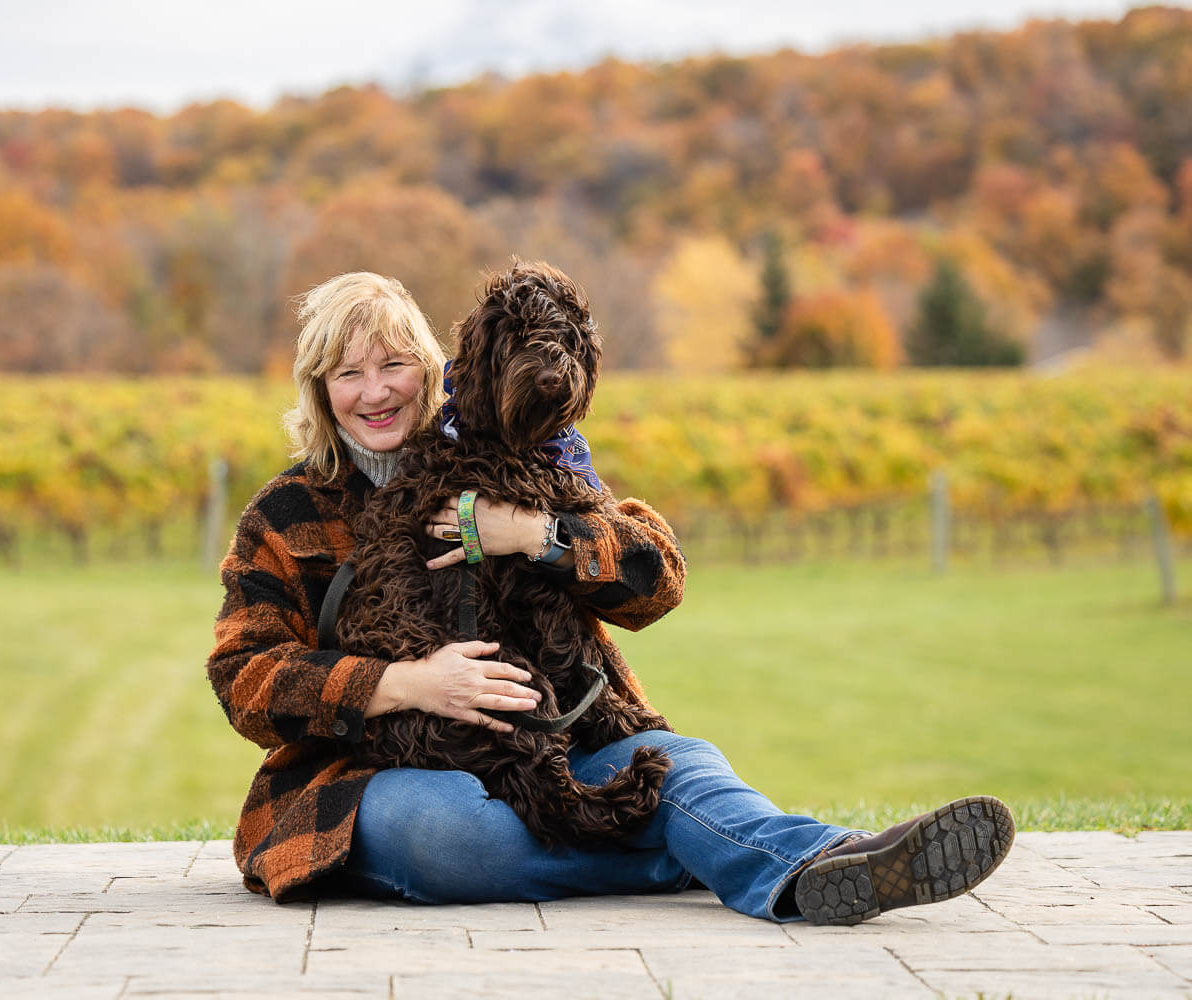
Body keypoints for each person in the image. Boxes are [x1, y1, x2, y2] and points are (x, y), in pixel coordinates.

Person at [206, 268, 1013, 925]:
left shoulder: (520, 455)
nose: (374, 391)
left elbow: (655, 577)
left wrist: (534, 534)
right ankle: (715, 857)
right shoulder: (285, 513)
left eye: (393, 365)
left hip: (561, 731)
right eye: (348, 373)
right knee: (456, 830)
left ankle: (830, 864)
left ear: (436, 369)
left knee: (685, 769)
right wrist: (404, 684)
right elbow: (243, 676)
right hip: (375, 771)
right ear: (320, 389)